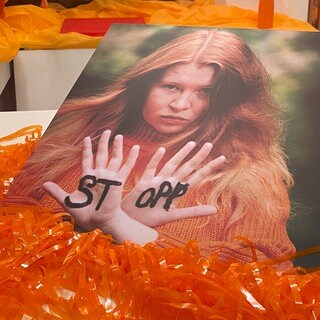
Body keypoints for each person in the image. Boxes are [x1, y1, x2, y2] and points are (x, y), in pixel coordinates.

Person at [6, 28, 295, 268]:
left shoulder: (250, 173)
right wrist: (80, 228)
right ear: (144, 84)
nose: (181, 105)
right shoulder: (75, 142)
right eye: (171, 86)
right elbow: (9, 220)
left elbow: (269, 268)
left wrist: (122, 225)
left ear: (226, 101)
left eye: (205, 92)